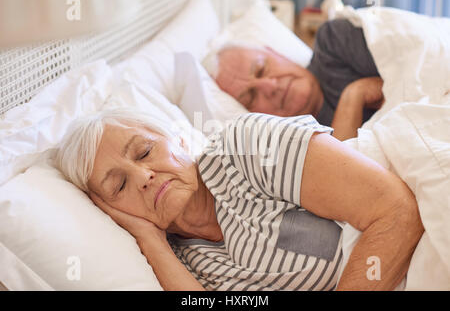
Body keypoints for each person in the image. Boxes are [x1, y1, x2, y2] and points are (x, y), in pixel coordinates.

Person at [55, 108, 423, 291]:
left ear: (178, 140)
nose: (144, 177)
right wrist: (149, 238)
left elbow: (396, 211)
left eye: (145, 151)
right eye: (119, 186)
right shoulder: (183, 264)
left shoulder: (245, 149)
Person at [207, 19, 384, 141]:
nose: (270, 86)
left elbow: (409, 75)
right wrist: (354, 95)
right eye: (251, 97)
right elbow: (348, 179)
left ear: (274, 52)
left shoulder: (333, 42)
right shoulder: (294, 155)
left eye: (261, 70)